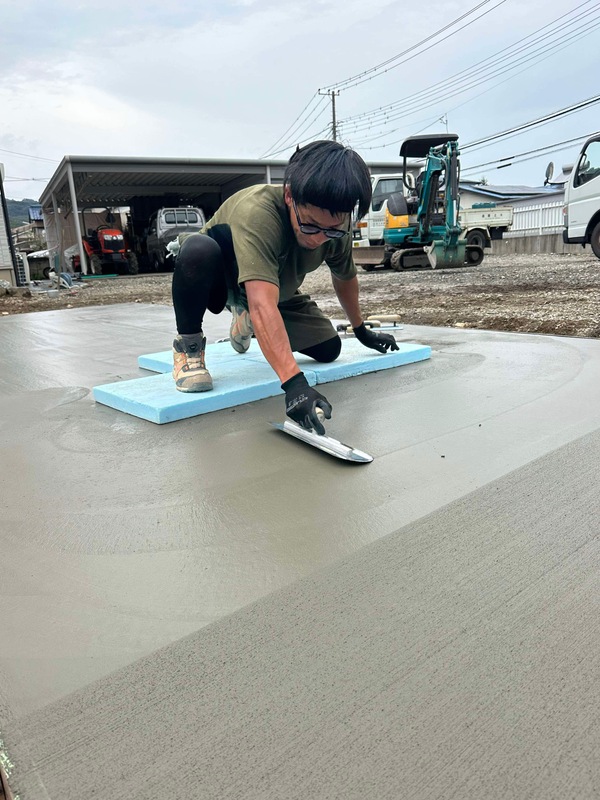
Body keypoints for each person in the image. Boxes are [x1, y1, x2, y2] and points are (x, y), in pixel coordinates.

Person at [170, 140, 399, 435]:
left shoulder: (337, 227)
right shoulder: (259, 212)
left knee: (330, 349)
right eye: (310, 226)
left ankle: (248, 322)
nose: (319, 238)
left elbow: (345, 278)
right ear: (289, 196)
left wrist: (360, 330)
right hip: (222, 281)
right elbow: (263, 303)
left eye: (331, 229)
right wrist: (295, 385)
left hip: (274, 291)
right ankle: (188, 348)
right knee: (197, 249)